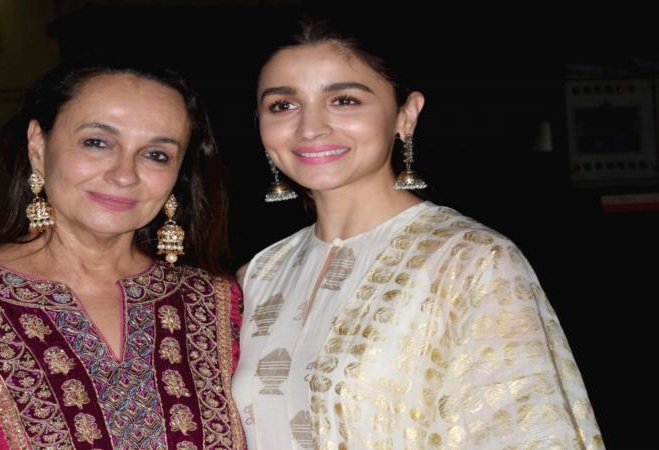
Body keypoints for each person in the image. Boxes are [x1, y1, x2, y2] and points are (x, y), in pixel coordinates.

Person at [232, 21, 603, 449]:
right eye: (282, 105)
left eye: (344, 100)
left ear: (406, 115)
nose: (310, 127)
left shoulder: (471, 262)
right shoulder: (258, 275)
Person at [0, 57, 244, 449]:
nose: (124, 174)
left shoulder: (216, 303)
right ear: (38, 146)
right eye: (97, 142)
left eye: (156, 154)